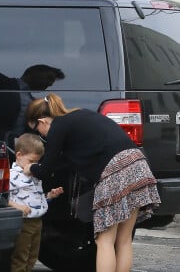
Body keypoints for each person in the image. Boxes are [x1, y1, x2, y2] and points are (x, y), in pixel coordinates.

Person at [23, 93, 161, 272]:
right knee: (124, 240)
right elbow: (66, 160)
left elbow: (44, 170)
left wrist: (29, 168)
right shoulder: (82, 115)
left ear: (42, 121)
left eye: (35, 130)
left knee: (104, 241)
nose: (39, 135)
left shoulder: (58, 126)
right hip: (138, 166)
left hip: (115, 173)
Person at [8, 133, 63, 272]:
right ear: (19, 155)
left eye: (37, 162)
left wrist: (49, 196)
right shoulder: (12, 175)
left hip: (37, 221)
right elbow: (1, 197)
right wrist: (16, 206)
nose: (34, 165)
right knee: (21, 256)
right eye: (31, 161)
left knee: (33, 256)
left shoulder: (34, 175)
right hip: (23, 222)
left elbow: (35, 197)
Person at [0, 64, 65, 143]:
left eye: (52, 82)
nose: (50, 84)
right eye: (49, 78)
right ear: (33, 73)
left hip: (19, 149)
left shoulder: (34, 102)